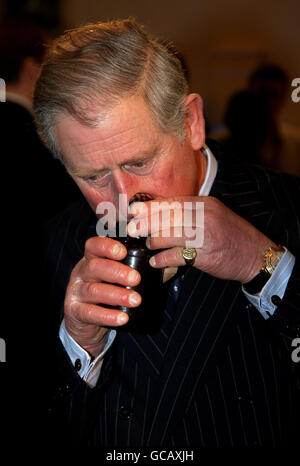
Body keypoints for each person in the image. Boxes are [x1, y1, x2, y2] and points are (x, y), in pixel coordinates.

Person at [33, 19, 300, 448]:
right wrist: (78, 348)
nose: (122, 199)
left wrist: (261, 263)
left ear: (191, 122)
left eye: (140, 162)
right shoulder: (48, 246)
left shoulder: (291, 210)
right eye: (92, 175)